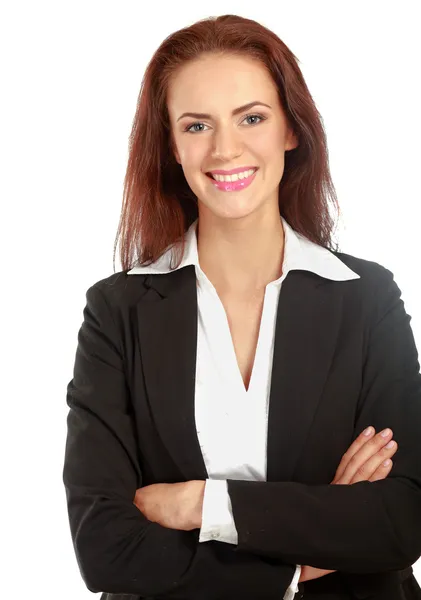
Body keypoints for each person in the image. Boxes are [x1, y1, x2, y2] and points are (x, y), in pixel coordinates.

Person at [62, 13, 421, 600]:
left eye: (251, 118)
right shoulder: (117, 310)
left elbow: (400, 518)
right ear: (172, 145)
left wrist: (200, 503)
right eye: (197, 124)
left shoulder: (366, 298)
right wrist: (303, 553)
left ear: (290, 130)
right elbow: (105, 546)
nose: (225, 149)